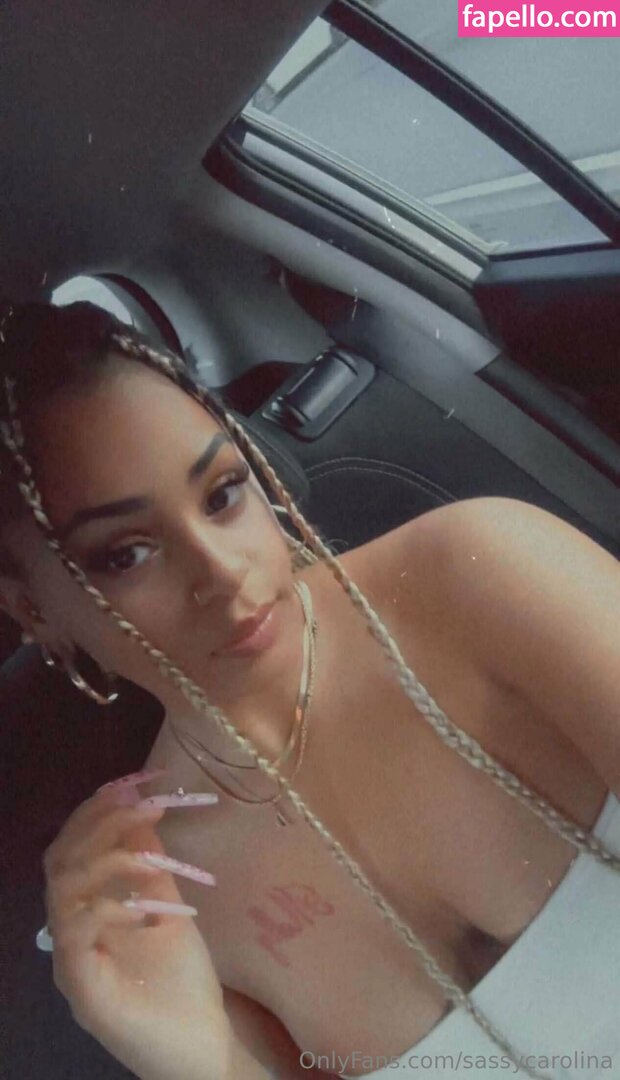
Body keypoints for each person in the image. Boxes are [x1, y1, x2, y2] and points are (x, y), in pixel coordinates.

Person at [1, 300, 619, 1080]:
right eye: (125, 553)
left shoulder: (481, 578)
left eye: (222, 493)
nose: (223, 571)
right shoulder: (160, 896)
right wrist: (199, 1063)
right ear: (32, 610)